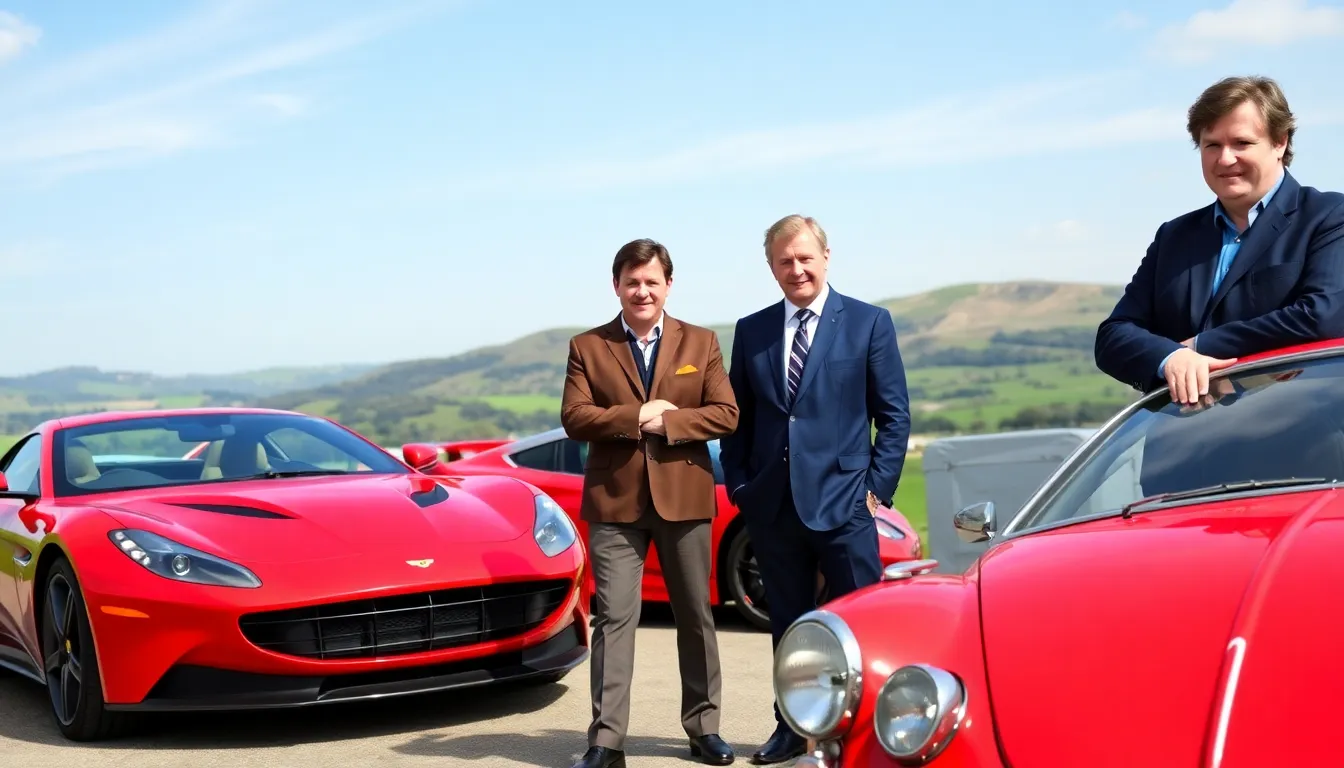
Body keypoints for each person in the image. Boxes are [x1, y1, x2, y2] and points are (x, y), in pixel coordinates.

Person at [718, 214, 910, 764]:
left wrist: (875, 491)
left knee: (865, 622)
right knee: (789, 626)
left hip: (847, 502)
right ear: (771, 267)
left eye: (805, 257)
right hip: (773, 506)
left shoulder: (869, 322)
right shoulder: (751, 330)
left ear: (826, 257)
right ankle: (791, 727)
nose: (796, 269)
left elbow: (893, 416)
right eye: (785, 260)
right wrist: (741, 487)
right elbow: (739, 420)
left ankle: (873, 726)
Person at [560, 238, 740, 768]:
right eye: (632, 281)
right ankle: (606, 741)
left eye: (651, 281)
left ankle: (704, 730)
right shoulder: (587, 346)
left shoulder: (701, 342)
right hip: (614, 503)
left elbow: (726, 414)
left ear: (668, 285)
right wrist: (638, 414)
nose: (642, 291)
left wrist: (672, 422)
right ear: (616, 285)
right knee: (614, 619)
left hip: (683, 497)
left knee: (695, 615)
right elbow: (575, 418)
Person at [1095, 75, 1344, 404]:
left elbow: (1322, 316)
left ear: (1279, 142)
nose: (1225, 159)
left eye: (1241, 143)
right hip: (1181, 445)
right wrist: (1172, 358)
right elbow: (1113, 336)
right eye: (1212, 144)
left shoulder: (1329, 217)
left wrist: (1200, 347)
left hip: (1296, 442)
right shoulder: (1174, 236)